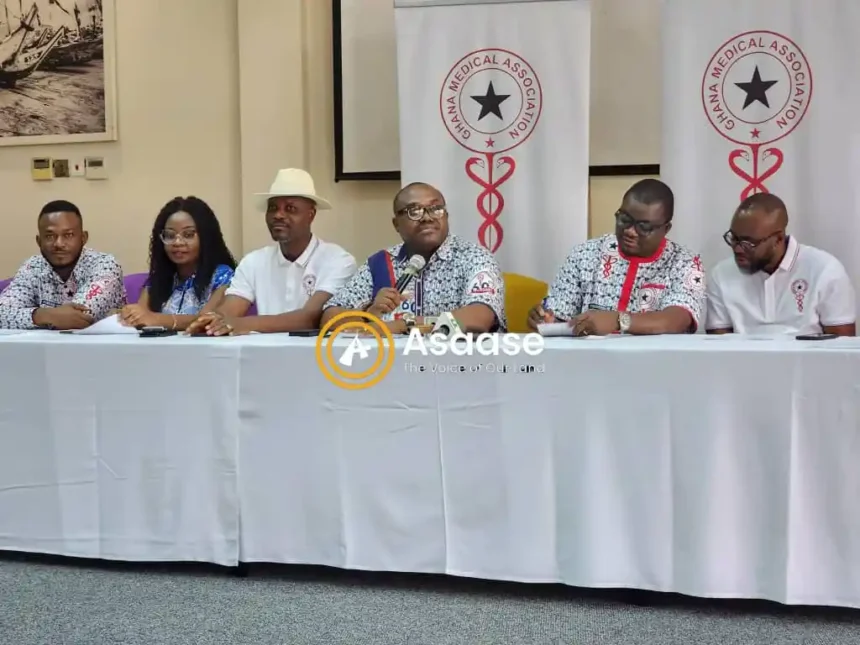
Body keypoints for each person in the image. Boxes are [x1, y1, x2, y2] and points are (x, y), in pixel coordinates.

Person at [186, 168, 356, 336]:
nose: (278, 215)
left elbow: (310, 318)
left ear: (311, 215)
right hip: (262, 352)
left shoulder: (338, 261)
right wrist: (211, 322)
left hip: (314, 353)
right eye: (273, 208)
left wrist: (238, 323)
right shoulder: (254, 262)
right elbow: (229, 311)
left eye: (290, 208)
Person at [321, 182, 506, 334]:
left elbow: (478, 318)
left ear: (446, 215)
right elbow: (330, 317)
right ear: (396, 224)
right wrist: (367, 315)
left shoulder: (473, 257)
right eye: (414, 211)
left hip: (462, 363)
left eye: (435, 209)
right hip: (392, 364)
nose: (427, 218)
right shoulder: (380, 263)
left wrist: (403, 325)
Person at [527, 179, 704, 335]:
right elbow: (559, 315)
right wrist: (546, 320)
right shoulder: (585, 254)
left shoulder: (685, 263)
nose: (630, 231)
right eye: (624, 220)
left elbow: (676, 319)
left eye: (644, 227)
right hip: (588, 358)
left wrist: (618, 320)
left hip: (656, 360)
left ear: (666, 229)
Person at [706, 193, 855, 336]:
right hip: (740, 355)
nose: (737, 249)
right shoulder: (721, 274)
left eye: (749, 243)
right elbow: (716, 345)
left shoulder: (824, 270)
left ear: (778, 239)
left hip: (808, 354)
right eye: (734, 238)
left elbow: (840, 345)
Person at [0, 200, 126, 330]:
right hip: (43, 343)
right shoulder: (32, 267)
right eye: (49, 236)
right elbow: (2, 312)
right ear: (39, 241)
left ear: (83, 238)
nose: (59, 244)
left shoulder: (105, 265)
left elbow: (78, 317)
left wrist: (39, 318)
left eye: (68, 235)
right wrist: (43, 315)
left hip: (101, 343)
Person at [118, 196, 237, 330]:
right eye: (170, 235)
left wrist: (156, 319)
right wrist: (129, 315)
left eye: (188, 234)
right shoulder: (158, 278)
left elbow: (207, 320)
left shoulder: (223, 276)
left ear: (206, 237)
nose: (177, 242)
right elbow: (140, 317)